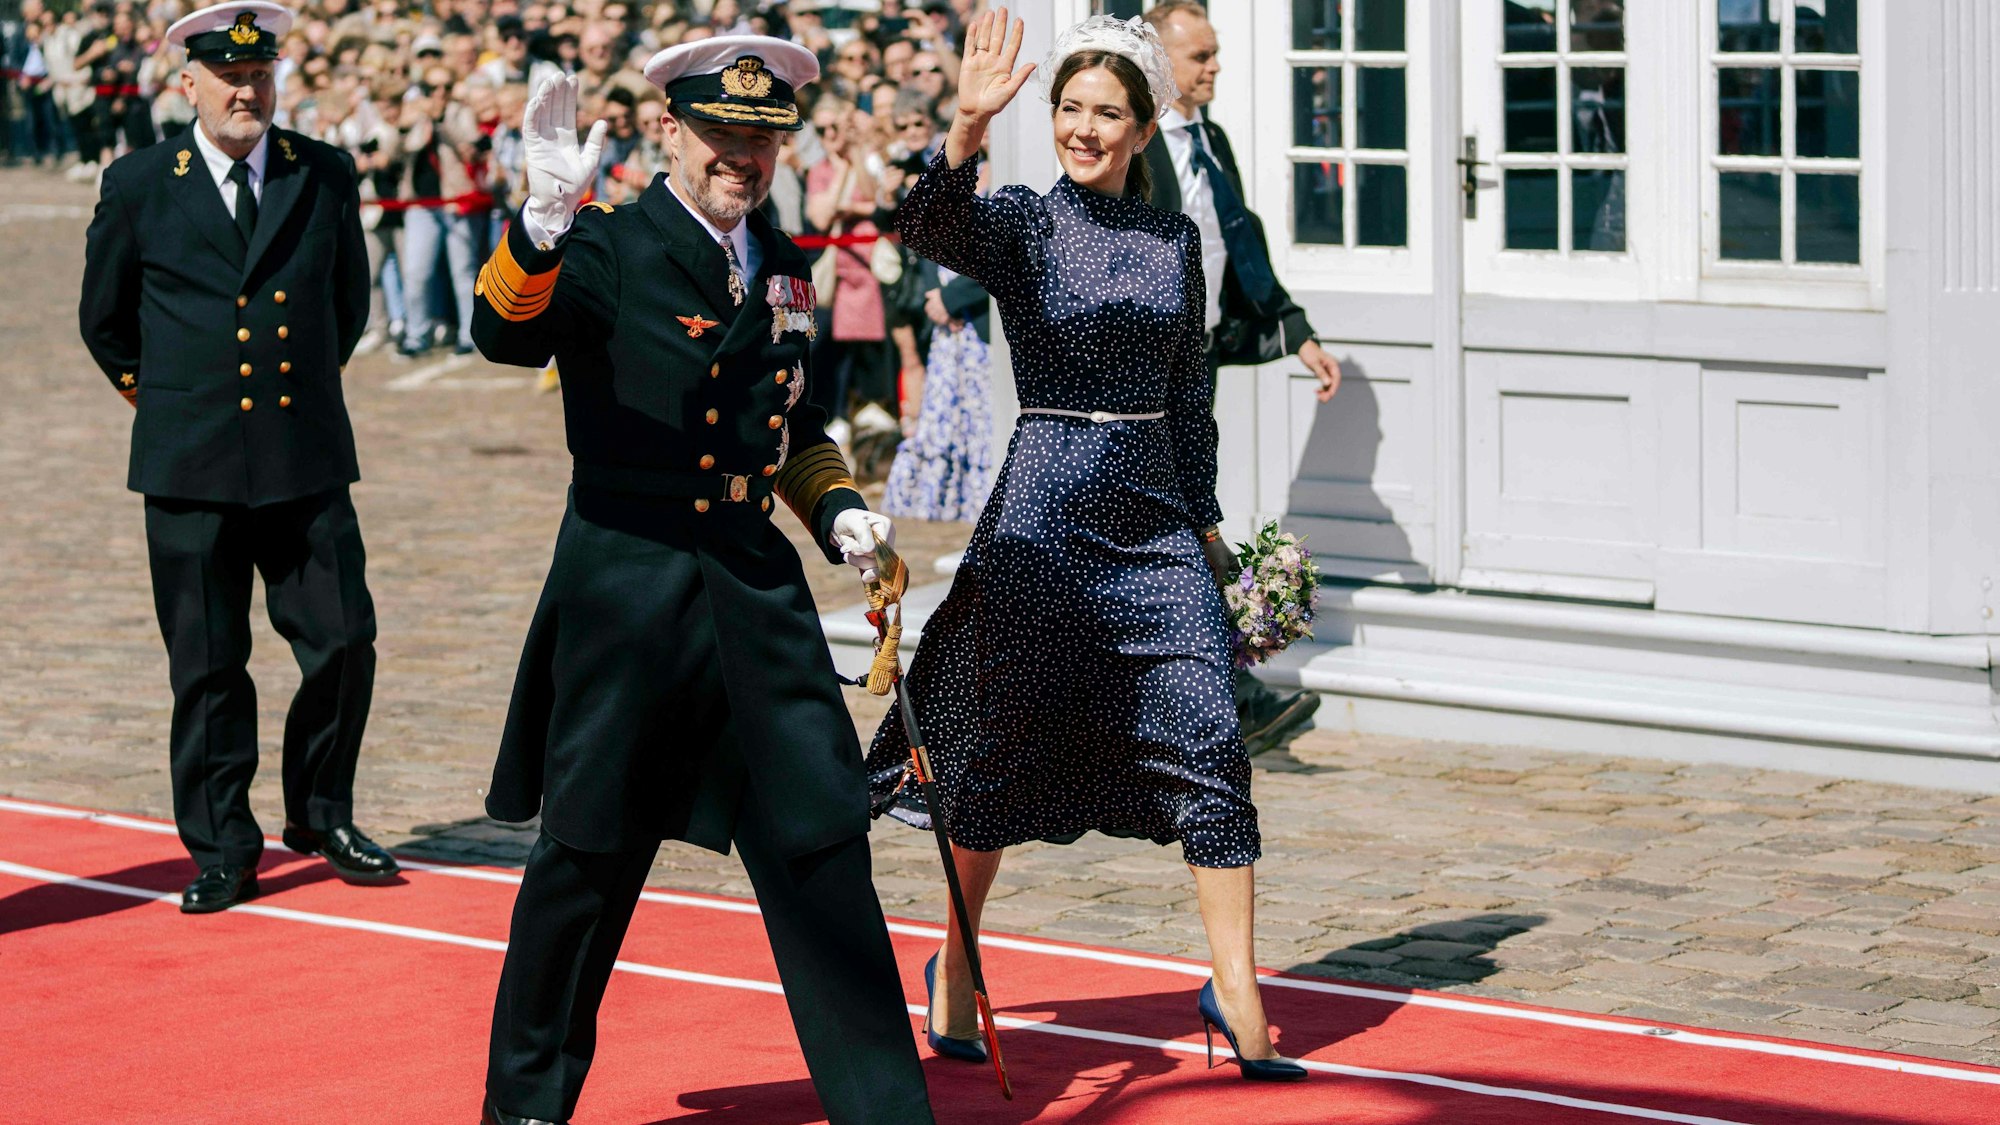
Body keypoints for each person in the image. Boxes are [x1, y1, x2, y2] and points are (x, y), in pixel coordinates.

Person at [468, 39, 935, 1125]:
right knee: (585, 860)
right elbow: (502, 332)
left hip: (749, 589)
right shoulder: (607, 246)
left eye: (763, 136)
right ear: (668, 130)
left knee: (820, 839)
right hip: (628, 587)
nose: (743, 155)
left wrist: (834, 509)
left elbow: (793, 421)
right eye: (722, 133)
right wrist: (537, 228)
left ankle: (884, 1111)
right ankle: (524, 1108)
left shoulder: (779, 260)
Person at [864, 9, 1308, 1083]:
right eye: (1069, 109)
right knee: (997, 752)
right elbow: (921, 227)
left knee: (1208, 735)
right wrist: (965, 128)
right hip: (1042, 516)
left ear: (1142, 129)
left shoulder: (1173, 241)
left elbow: (1189, 398)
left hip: (1153, 521)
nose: (1083, 127)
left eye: (1106, 112)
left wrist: (1206, 529)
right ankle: (957, 967)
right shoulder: (1020, 222)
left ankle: (1235, 987)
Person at [77, 0, 397, 915]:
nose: (246, 90)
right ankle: (223, 844)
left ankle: (321, 811)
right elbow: (105, 321)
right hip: (189, 462)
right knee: (209, 666)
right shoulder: (140, 182)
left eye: (260, 74)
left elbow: (347, 307)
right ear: (189, 83)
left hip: (303, 456)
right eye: (228, 75)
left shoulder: (321, 173)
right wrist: (178, 401)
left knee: (344, 642)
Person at [1144, 0, 1341, 756]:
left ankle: (1214, 700)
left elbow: (1240, 237)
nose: (1215, 67)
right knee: (1188, 530)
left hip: (1195, 366)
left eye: (1215, 53)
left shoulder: (1209, 139)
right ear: (1163, 65)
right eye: (1201, 57)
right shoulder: (1133, 146)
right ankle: (1234, 698)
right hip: (1144, 375)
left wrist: (1297, 331)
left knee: (1189, 525)